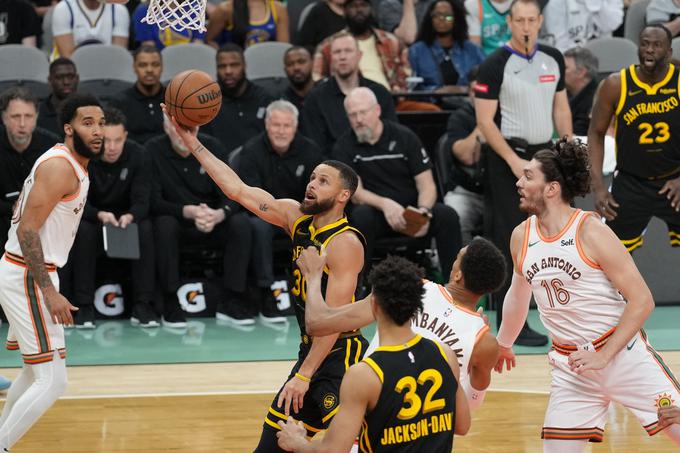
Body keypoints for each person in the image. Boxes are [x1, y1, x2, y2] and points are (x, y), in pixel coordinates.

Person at [162, 105, 367, 452]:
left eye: (323, 181)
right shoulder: (296, 217)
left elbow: (333, 321)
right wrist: (191, 142)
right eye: (313, 177)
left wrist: (304, 375)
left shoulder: (345, 244)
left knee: (329, 444)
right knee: (278, 443)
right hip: (310, 349)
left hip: (338, 356)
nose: (311, 184)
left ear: (343, 196)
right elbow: (237, 190)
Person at [494, 138, 680, 450]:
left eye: (528, 176)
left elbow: (642, 300)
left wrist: (604, 355)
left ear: (552, 189)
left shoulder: (590, 231)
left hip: (622, 357)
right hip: (573, 369)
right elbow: (518, 294)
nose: (518, 182)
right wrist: (503, 344)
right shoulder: (521, 236)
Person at [276, 254, 471, 452]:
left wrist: (298, 443)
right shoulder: (445, 354)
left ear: (374, 304)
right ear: (417, 305)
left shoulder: (364, 375)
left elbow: (332, 450)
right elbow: (462, 425)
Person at [295, 236, 507, 412]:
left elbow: (317, 323)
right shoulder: (485, 343)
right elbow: (470, 405)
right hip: (427, 438)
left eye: (457, 258)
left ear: (458, 274)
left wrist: (313, 276)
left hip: (373, 430)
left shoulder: (408, 288)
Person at [0, 93, 104, 451]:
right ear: (68, 127)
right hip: (28, 275)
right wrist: (48, 290)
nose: (97, 130)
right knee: (53, 381)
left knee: (33, 373)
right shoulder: (60, 167)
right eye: (87, 123)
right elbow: (28, 230)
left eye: (101, 123)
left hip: (32, 271)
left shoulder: (72, 163)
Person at [474, 0, 572, 346]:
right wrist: (514, 163)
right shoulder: (493, 64)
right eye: (520, 20)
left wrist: (567, 148)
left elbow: (561, 107)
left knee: (551, 231)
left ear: (540, 21)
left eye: (532, 20)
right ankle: (509, 322)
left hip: (545, 156)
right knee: (508, 236)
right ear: (509, 23)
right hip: (507, 159)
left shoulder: (553, 58)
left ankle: (558, 310)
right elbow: (485, 122)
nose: (526, 26)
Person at [334, 87, 462, 284]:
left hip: (411, 211)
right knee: (360, 217)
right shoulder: (344, 146)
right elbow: (356, 193)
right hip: (376, 213)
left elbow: (427, 184)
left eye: (363, 112)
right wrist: (386, 205)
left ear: (377, 110)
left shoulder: (405, 137)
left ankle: (453, 286)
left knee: (447, 215)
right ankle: (359, 287)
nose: (358, 119)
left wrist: (423, 212)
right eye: (353, 115)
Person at [148, 113, 253, 327]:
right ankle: (170, 300)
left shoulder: (213, 146)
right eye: (175, 126)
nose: (181, 132)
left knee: (240, 224)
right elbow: (153, 202)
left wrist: (219, 214)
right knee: (163, 225)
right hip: (179, 221)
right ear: (165, 126)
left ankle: (232, 299)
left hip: (211, 222)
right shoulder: (152, 150)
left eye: (187, 126)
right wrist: (188, 211)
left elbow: (234, 194)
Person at [60, 107, 156, 329]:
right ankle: (84, 305)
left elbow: (143, 200)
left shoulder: (139, 155)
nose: (111, 147)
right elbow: (74, 200)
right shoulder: (83, 155)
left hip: (126, 219)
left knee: (146, 227)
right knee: (82, 229)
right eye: (106, 140)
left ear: (126, 137)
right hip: (93, 217)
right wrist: (99, 215)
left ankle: (143, 304)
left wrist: (131, 216)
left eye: (117, 140)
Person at [588, 24, 680, 253]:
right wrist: (598, 187)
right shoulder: (616, 84)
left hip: (674, 180)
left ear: (669, 52)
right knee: (609, 257)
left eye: (657, 45)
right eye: (645, 44)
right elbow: (595, 133)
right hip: (631, 182)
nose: (649, 50)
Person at [238, 100, 323, 323]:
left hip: (300, 216)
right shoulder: (251, 151)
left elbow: (318, 195)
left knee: (322, 222)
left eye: (287, 126)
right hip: (264, 216)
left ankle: (317, 292)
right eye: (276, 125)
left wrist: (298, 215)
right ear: (267, 125)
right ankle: (267, 294)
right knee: (257, 226)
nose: (281, 131)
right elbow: (250, 197)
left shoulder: (311, 151)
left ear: (295, 127)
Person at [302, 31, 397, 156]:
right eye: (337, 52)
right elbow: (315, 148)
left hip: (379, 164)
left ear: (359, 55)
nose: (342, 57)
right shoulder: (315, 99)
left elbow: (393, 138)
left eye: (348, 51)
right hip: (335, 169)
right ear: (331, 58)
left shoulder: (380, 93)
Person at [0, 88, 60, 249]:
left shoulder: (52, 148)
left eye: (28, 116)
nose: (22, 124)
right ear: (4, 118)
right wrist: (10, 208)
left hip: (42, 217)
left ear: (36, 118)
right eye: (15, 116)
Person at [312, 0, 411, 92]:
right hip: (347, 102)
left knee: (424, 109)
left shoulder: (392, 42)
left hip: (391, 99)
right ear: (344, 12)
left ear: (372, 10)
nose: (359, 10)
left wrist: (397, 90)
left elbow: (407, 73)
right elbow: (317, 78)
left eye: (364, 5)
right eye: (353, 6)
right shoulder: (329, 45)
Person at [201, 43, 274, 153]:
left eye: (234, 65)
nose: (228, 71)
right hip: (220, 166)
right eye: (222, 66)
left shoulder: (265, 98)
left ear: (244, 65)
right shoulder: (208, 101)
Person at [441, 66, 486, 244]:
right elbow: (466, 157)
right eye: (475, 91)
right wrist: (485, 121)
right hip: (468, 191)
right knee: (454, 215)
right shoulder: (460, 117)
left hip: (502, 191)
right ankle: (460, 268)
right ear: (469, 92)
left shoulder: (508, 114)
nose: (479, 96)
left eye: (484, 92)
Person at [408, 0, 485, 91]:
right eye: (437, 15)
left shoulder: (473, 51)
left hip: (466, 103)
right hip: (428, 103)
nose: (442, 19)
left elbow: (486, 85)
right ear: (430, 19)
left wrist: (464, 90)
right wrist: (436, 92)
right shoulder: (417, 51)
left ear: (456, 19)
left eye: (448, 16)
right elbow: (410, 88)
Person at [111, 45, 165, 145]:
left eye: (155, 64)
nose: (149, 70)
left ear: (162, 67)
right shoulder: (119, 103)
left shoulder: (174, 100)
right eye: (143, 65)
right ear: (134, 68)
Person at [51, 0, 130, 59]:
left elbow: (118, 56)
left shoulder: (119, 10)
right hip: (73, 73)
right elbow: (68, 57)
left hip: (107, 70)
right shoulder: (63, 9)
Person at [540, 0, 623, 52]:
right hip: (572, 61)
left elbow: (612, 24)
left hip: (603, 55)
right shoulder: (555, 3)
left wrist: (595, 5)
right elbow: (559, 46)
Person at [205, 0, 289, 48]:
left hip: (267, 66)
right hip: (235, 70)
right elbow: (207, 40)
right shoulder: (226, 9)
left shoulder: (278, 9)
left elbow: (283, 48)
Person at [132, 2, 205, 49]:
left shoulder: (194, 8)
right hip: (160, 63)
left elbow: (198, 44)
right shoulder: (144, 11)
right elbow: (149, 48)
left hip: (187, 58)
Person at [37, 58, 79, 138]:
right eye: (59, 77)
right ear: (50, 80)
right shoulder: (37, 114)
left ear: (77, 79)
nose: (66, 82)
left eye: (70, 77)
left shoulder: (89, 110)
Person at [563, 47, 599, 137]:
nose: (558, 71)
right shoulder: (563, 94)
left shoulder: (596, 100)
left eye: (564, 68)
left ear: (581, 72)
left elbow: (578, 136)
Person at [282, 46, 315, 116]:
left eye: (301, 62)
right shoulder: (281, 102)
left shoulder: (324, 95)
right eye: (290, 64)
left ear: (312, 63)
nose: (296, 67)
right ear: (285, 69)